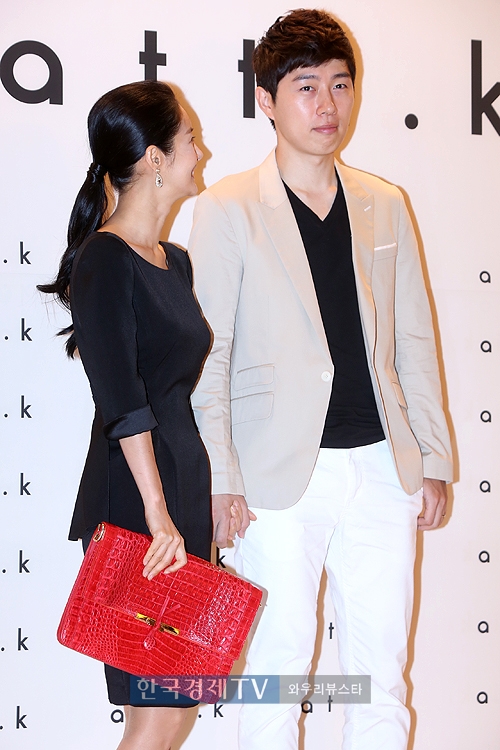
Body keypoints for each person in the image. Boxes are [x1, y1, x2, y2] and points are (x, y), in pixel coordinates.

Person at [188, 9, 453, 750]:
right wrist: (221, 478)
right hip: (274, 478)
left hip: (381, 466)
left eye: (340, 84)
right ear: (267, 101)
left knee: (381, 677)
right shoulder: (228, 206)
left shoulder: (384, 203)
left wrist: (430, 457)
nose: (327, 105)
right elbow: (209, 352)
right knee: (277, 674)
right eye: (306, 87)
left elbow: (413, 339)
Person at [38, 80, 211, 750]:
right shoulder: (104, 260)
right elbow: (122, 400)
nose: (201, 152)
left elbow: (176, 392)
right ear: (157, 158)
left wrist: (199, 501)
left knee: (174, 712)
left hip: (181, 494)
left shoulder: (176, 263)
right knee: (153, 713)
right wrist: (157, 512)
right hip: (137, 504)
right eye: (191, 139)